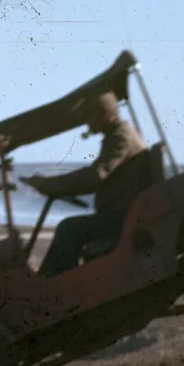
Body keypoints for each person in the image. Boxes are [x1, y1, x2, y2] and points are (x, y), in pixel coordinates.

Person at [23, 91, 148, 277]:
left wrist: (49, 184)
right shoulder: (117, 134)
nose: (87, 122)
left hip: (123, 215)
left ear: (104, 114)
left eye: (89, 116)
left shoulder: (121, 137)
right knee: (70, 227)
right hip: (124, 212)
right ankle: (49, 280)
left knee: (69, 229)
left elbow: (97, 175)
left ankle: (57, 285)